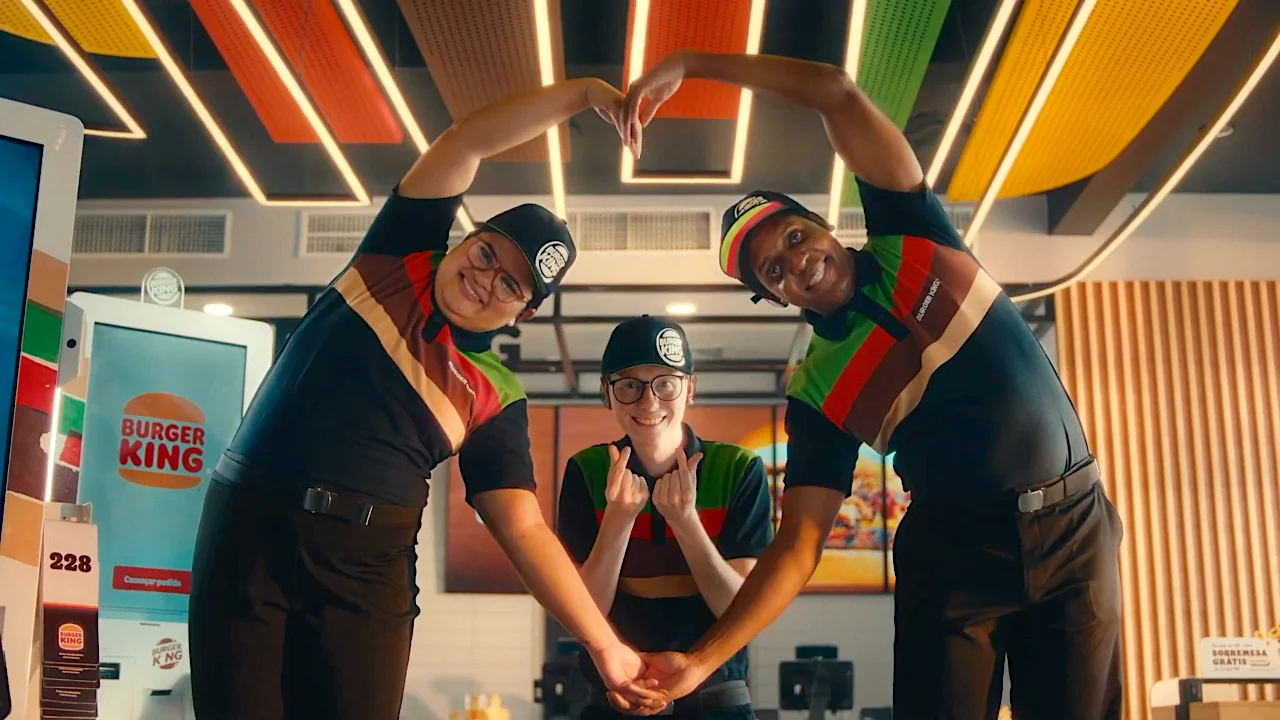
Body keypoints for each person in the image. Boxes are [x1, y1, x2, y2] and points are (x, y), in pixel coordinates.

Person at [611, 51, 1124, 720]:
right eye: (773, 272)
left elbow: (836, 91)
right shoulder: (817, 390)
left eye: (796, 236)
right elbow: (798, 546)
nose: (797, 262)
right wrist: (702, 662)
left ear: (824, 224)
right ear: (775, 294)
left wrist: (691, 64)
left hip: (1075, 525)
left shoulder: (913, 239)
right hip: (953, 554)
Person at [187, 78, 663, 719]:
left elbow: (521, 526)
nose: (484, 278)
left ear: (522, 314)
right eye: (486, 251)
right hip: (249, 526)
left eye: (510, 285)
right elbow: (465, 141)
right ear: (464, 238)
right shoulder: (396, 254)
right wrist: (581, 96)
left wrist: (605, 646)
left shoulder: (496, 393)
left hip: (367, 566)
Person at [557, 316, 773, 720]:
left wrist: (687, 522)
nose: (649, 402)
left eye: (666, 383)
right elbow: (583, 610)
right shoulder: (586, 471)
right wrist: (618, 521)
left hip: (716, 697)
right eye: (629, 386)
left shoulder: (738, 468)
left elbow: (738, 608)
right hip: (614, 691)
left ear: (690, 389)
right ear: (607, 393)